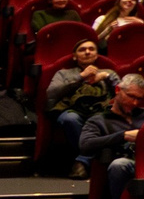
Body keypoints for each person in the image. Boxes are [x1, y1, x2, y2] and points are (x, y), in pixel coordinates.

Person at [79, 75, 144, 199]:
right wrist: (123, 136)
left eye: (139, 99)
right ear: (118, 90)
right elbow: (85, 145)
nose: (134, 103)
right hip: (124, 166)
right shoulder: (99, 120)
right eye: (131, 96)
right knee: (119, 165)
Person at [45, 39, 118, 175]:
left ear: (97, 55)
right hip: (70, 110)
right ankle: (93, 157)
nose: (87, 52)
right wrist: (81, 77)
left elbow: (122, 92)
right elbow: (51, 93)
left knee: (98, 120)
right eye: (82, 49)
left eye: (91, 49)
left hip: (99, 111)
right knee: (70, 119)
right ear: (74, 56)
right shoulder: (64, 73)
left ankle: (82, 161)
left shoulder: (108, 72)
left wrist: (106, 77)